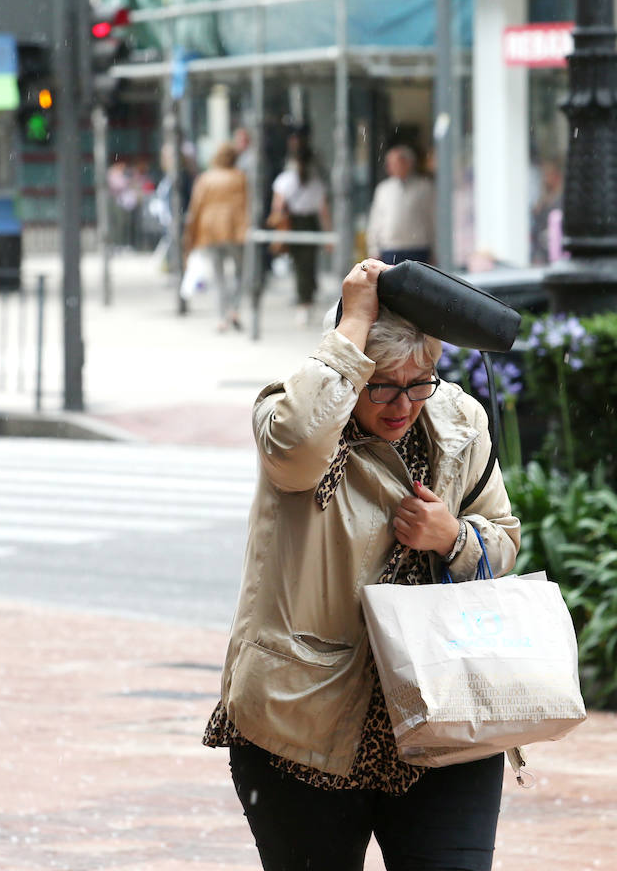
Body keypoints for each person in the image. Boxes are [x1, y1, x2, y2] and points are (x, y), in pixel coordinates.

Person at [202, 257, 521, 871]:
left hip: (442, 718)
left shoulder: (458, 422)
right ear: (353, 371)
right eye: (383, 384)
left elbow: (502, 539)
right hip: (305, 727)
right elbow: (296, 444)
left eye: (419, 380)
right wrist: (356, 320)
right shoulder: (293, 415)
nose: (403, 403)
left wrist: (454, 537)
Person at [184, 142, 250, 331]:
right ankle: (235, 309)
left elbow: (195, 208)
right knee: (239, 272)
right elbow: (246, 205)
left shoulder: (205, 178)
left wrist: (191, 235)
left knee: (218, 276)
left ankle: (222, 317)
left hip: (210, 230)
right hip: (233, 229)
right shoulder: (239, 177)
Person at [270, 129, 331, 325]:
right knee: (308, 263)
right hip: (310, 223)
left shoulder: (285, 180)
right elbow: (323, 211)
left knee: (300, 265)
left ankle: (304, 300)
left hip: (295, 223)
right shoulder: (316, 182)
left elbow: (277, 208)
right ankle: (307, 297)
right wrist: (328, 233)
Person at [366, 145, 435, 265]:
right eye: (389, 163)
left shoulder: (424, 187)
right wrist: (373, 248)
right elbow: (376, 220)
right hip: (390, 249)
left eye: (395, 163)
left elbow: (432, 219)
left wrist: (435, 250)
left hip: (417, 248)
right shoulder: (383, 189)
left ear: (408, 163)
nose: (391, 167)